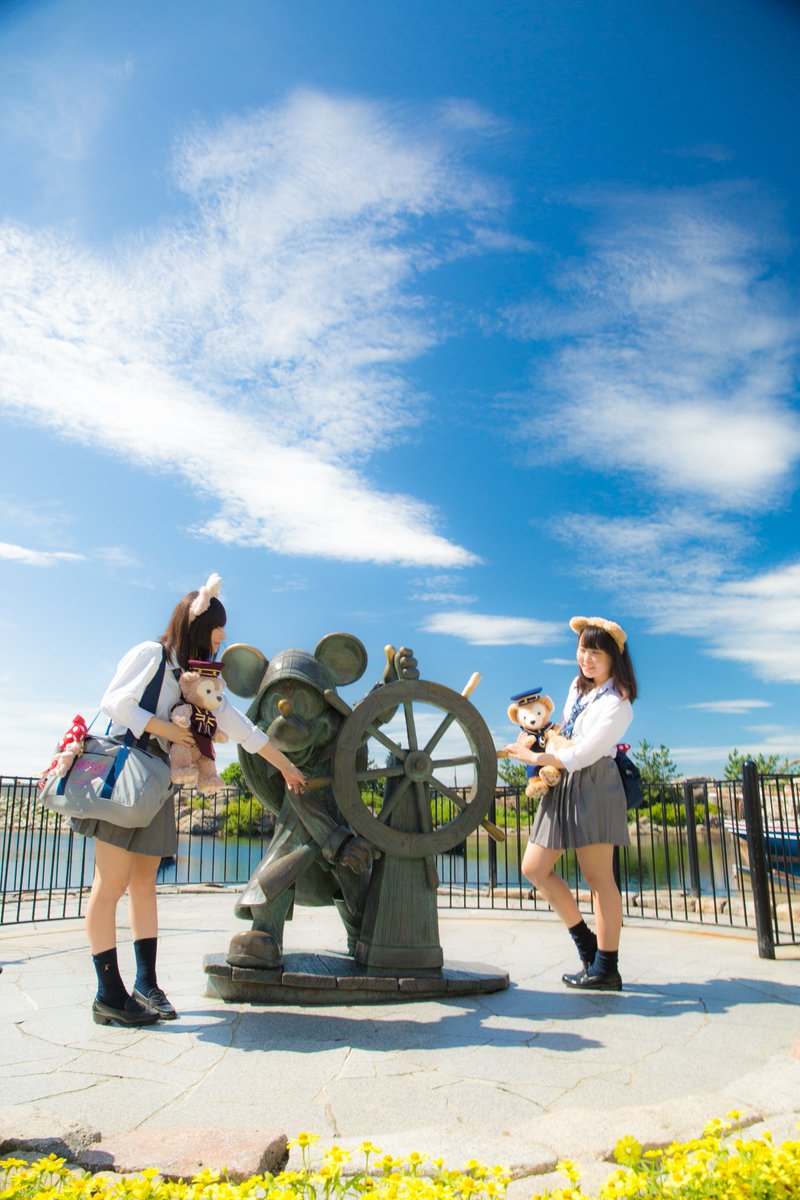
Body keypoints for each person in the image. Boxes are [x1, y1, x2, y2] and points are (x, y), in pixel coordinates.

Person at [71, 574, 306, 1026]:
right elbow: (114, 702)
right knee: (110, 885)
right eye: (218, 630)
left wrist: (285, 767)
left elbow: (243, 730)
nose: (223, 638)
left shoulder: (198, 680)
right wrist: (167, 730)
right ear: (198, 627)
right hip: (126, 778)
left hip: (155, 784)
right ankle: (109, 993)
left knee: (143, 882)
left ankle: (146, 984)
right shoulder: (152, 655)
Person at [503, 615, 637, 991]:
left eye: (595, 652)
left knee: (598, 879)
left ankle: (606, 967)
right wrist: (535, 739)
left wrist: (532, 760)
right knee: (534, 867)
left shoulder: (618, 702)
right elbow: (566, 736)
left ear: (613, 657)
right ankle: (589, 946)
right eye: (582, 650)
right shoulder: (577, 689)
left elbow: (585, 753)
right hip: (562, 780)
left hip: (594, 782)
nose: (587, 659)